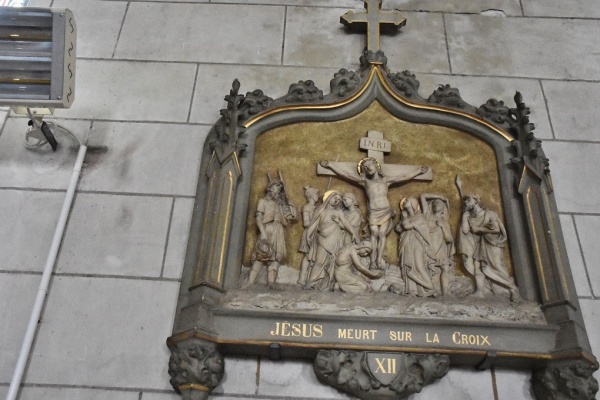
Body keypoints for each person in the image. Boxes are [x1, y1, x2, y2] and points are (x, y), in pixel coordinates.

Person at [319, 158, 428, 270]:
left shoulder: (385, 180)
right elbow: (346, 174)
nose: (367, 168)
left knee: (382, 234)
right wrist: (330, 165)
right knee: (374, 234)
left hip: (385, 210)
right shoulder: (365, 181)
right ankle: (372, 260)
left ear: (376, 166)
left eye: (369, 165)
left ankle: (379, 259)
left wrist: (418, 171)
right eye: (364, 168)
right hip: (373, 212)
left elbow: (403, 177)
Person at [458, 194, 520, 301]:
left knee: (497, 266)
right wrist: (464, 217)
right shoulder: (469, 216)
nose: (466, 202)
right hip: (477, 245)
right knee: (477, 267)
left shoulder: (489, 213)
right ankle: (479, 291)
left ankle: (513, 288)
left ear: (476, 201)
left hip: (491, 243)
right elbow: (464, 231)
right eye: (465, 200)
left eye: (469, 199)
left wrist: (480, 229)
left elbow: (496, 229)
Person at [245, 179, 297, 288]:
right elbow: (258, 218)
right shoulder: (263, 201)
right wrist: (263, 233)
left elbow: (292, 218)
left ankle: (271, 283)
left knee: (276, 256)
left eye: (279, 188)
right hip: (267, 228)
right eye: (276, 187)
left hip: (279, 230)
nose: (278, 189)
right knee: (261, 254)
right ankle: (250, 282)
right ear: (270, 188)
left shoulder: (280, 205)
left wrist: (291, 205)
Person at [304, 190, 359, 291]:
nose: (336, 201)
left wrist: (353, 233)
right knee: (319, 261)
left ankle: (328, 285)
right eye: (335, 198)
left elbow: (346, 223)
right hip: (323, 238)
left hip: (335, 239)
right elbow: (314, 223)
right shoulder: (321, 210)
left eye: (338, 200)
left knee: (333, 262)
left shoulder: (338, 212)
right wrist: (308, 234)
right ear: (329, 197)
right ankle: (311, 281)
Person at [396, 197, 439, 297]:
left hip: (418, 243)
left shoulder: (420, 217)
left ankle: (430, 288)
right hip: (407, 243)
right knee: (408, 266)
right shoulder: (406, 217)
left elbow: (406, 226)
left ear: (413, 203)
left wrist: (405, 218)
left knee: (419, 266)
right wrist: (404, 218)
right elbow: (398, 228)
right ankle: (412, 291)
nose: (404, 202)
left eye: (407, 200)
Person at [420, 194, 455, 295]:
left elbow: (449, 239)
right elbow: (423, 196)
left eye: (439, 203)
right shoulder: (427, 216)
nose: (435, 204)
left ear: (443, 208)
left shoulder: (445, 222)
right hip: (428, 248)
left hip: (440, 249)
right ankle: (430, 290)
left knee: (445, 268)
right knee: (427, 269)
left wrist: (443, 227)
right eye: (434, 203)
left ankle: (445, 292)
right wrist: (439, 196)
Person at [297, 186, 320, 285]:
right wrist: (315, 220)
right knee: (307, 256)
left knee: (315, 256)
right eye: (316, 194)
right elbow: (306, 223)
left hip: (317, 234)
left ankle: (311, 278)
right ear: (310, 196)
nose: (318, 196)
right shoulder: (306, 207)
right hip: (309, 233)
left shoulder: (318, 208)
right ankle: (302, 278)